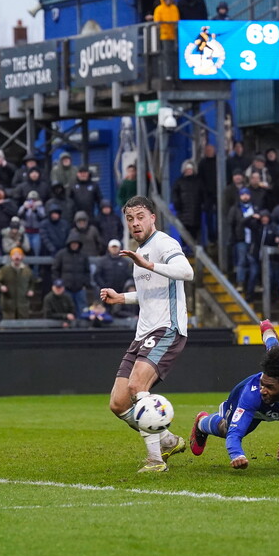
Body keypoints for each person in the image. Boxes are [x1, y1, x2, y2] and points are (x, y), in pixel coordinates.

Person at [99, 196, 193, 473]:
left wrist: (149, 264)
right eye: (130, 219)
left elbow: (186, 272)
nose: (135, 223)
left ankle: (155, 461)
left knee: (137, 387)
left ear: (153, 217)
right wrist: (122, 298)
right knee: (118, 403)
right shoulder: (140, 252)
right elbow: (149, 293)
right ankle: (166, 440)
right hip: (143, 332)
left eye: (140, 216)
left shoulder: (164, 243)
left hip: (167, 328)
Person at [188, 326, 279, 469]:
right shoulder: (253, 392)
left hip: (272, 407)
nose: (263, 390)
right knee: (226, 430)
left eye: (270, 387)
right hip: (254, 406)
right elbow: (235, 434)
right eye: (262, 384)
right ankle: (201, 423)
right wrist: (237, 455)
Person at [0, 247, 36, 320]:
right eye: (14, 255)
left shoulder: (27, 270)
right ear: (11, 257)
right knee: (8, 326)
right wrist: (1, 287)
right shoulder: (4, 270)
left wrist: (31, 289)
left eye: (19, 255)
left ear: (22, 257)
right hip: (8, 304)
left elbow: (32, 282)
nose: (17, 257)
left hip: (23, 303)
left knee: (23, 326)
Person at [53, 233, 91, 313]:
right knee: (67, 310)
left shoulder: (83, 255)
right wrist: (59, 283)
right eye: (73, 243)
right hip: (66, 288)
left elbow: (87, 271)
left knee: (82, 310)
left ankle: (82, 325)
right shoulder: (61, 254)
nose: (74, 245)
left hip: (80, 288)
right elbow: (55, 269)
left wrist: (85, 283)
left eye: (76, 243)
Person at [153, 0, 179, 79]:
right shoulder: (159, 9)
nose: (168, 0)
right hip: (165, 35)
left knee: (175, 54)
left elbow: (176, 20)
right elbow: (157, 21)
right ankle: (168, 74)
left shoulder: (174, 8)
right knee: (167, 55)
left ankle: (176, 74)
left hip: (174, 35)